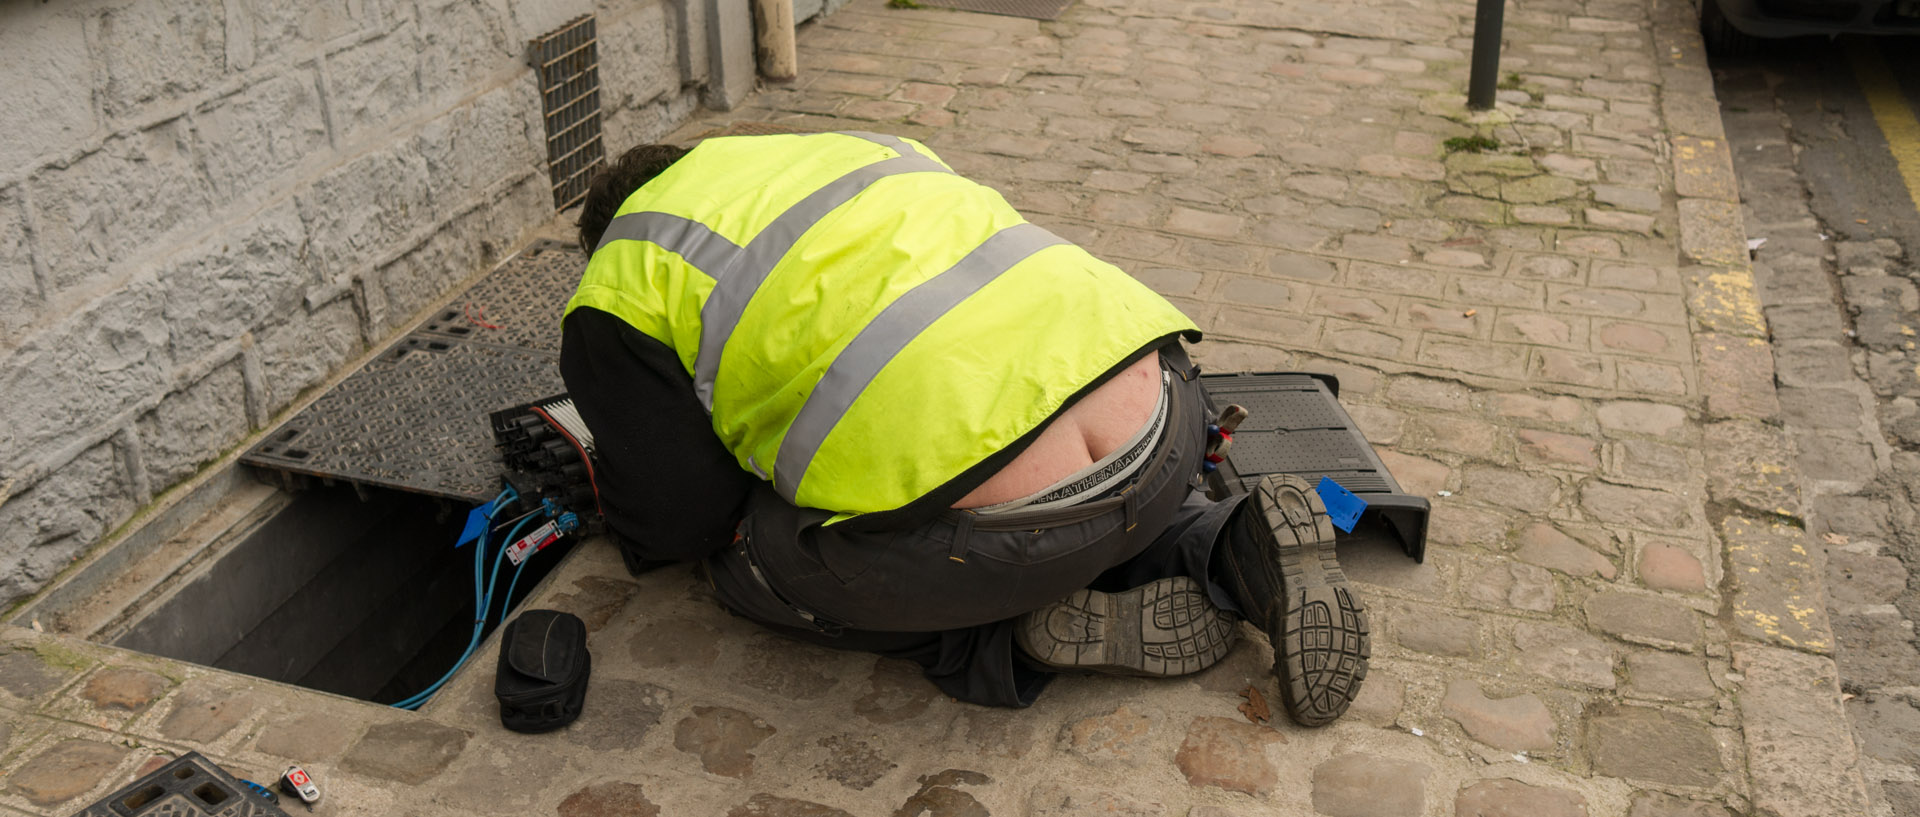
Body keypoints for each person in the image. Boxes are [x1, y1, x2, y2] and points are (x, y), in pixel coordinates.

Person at [558, 131, 1369, 725]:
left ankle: (1005, 641)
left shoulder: (622, 273)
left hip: (1007, 542)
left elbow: (680, 516)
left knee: (743, 558)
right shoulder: (856, 150)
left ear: (602, 237)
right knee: (1070, 474)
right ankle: (1226, 542)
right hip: (1167, 425)